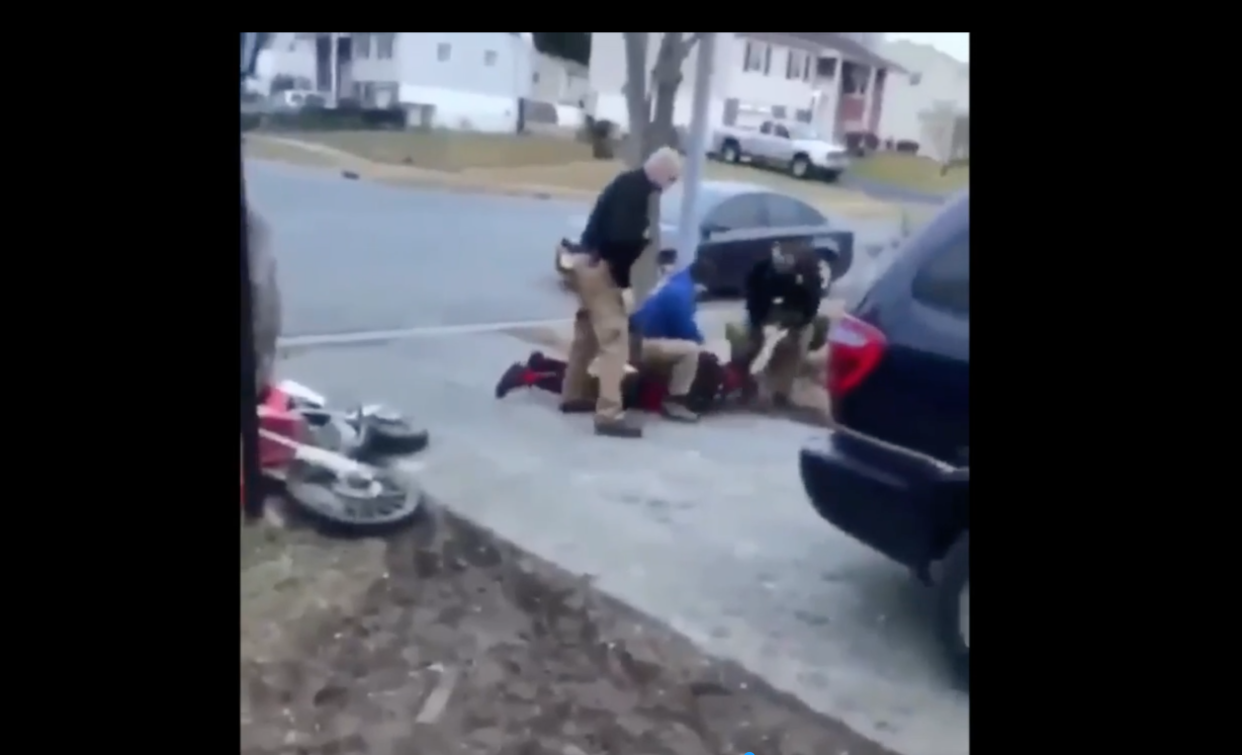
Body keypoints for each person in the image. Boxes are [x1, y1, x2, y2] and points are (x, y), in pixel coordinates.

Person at [562, 146, 683, 439]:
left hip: (585, 264)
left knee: (587, 335)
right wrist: (622, 281)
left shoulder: (626, 183)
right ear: (663, 173)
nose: (671, 186)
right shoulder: (636, 193)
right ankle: (608, 415)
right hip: (600, 270)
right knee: (616, 342)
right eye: (673, 179)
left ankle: (572, 394)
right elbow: (620, 238)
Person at [494, 349, 743, 416]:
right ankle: (526, 375)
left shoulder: (706, 362)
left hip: (638, 378)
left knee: (587, 373)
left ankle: (542, 364)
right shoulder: (706, 389)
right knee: (581, 385)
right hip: (637, 389)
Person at [734, 241, 823, 408]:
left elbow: (811, 303)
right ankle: (773, 392)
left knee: (785, 349)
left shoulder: (803, 272)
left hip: (784, 319)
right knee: (779, 351)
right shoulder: (764, 272)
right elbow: (754, 300)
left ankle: (773, 391)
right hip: (775, 319)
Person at [627, 259, 713, 422]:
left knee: (684, 346)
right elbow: (683, 327)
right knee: (690, 350)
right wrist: (701, 341)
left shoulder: (675, 282)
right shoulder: (680, 292)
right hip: (642, 344)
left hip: (636, 340)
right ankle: (675, 401)